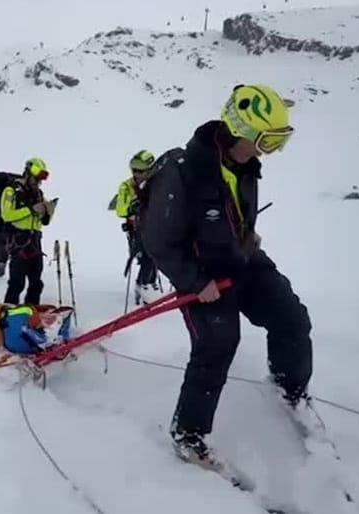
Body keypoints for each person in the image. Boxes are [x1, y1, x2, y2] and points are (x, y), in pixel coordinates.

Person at [138, 84, 313, 469]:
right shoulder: (184, 171)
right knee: (217, 345)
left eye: (279, 141)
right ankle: (189, 434)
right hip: (203, 279)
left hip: (243, 262)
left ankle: (289, 390)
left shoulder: (245, 165)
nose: (271, 150)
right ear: (242, 129)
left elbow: (233, 217)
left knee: (293, 320)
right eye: (268, 140)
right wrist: (195, 281)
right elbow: (158, 240)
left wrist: (247, 239)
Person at [0, 157, 57, 305]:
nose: (38, 182)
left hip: (35, 240)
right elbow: (7, 215)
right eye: (36, 178)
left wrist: (48, 211)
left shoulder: (39, 193)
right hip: (18, 240)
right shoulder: (11, 191)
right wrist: (30, 210)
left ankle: (32, 311)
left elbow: (44, 222)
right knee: (17, 282)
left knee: (36, 283)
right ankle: (9, 313)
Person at [115, 149, 161, 305]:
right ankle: (142, 286)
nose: (136, 174)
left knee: (156, 256)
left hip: (155, 227)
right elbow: (120, 209)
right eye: (134, 170)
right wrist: (132, 207)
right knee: (145, 256)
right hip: (136, 229)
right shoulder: (126, 187)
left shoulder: (157, 183)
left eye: (140, 171)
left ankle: (151, 284)